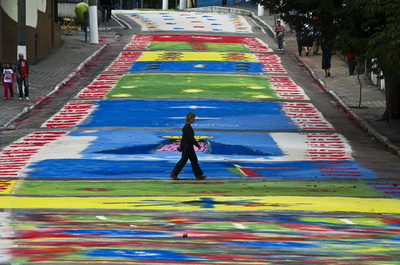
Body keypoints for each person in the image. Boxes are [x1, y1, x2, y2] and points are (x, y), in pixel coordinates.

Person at [170, 112, 206, 180]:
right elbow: (191, 138)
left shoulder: (186, 127)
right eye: (193, 118)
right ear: (191, 118)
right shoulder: (187, 127)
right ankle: (174, 174)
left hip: (188, 146)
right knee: (184, 160)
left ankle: (198, 175)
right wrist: (197, 145)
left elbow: (184, 138)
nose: (194, 120)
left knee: (194, 160)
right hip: (187, 147)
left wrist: (181, 146)